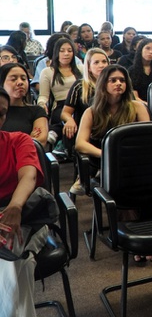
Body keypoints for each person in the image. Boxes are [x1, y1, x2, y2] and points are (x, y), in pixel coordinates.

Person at [74, 65, 151, 262]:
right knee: (119, 181)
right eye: (113, 80)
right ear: (103, 84)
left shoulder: (137, 107)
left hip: (133, 162)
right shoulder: (92, 112)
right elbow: (80, 144)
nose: (118, 84)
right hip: (103, 167)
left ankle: (142, 234)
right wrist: (106, 154)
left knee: (148, 177)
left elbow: (148, 137)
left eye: (122, 80)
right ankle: (137, 239)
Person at [0, 87, 46, 317]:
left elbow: (28, 175)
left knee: (10, 256)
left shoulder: (18, 140)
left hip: (25, 216)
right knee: (21, 263)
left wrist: (15, 207)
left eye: (1, 113)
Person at [60, 48, 109, 195]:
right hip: (86, 132)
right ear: (88, 66)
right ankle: (87, 175)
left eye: (104, 61)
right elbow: (65, 113)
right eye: (96, 62)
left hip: (107, 130)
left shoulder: (114, 84)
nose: (101, 65)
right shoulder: (80, 86)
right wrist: (69, 120)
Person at [37, 38, 82, 153]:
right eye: (62, 51)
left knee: (79, 116)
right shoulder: (47, 72)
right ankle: (65, 145)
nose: (66, 54)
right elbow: (43, 95)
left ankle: (56, 133)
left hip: (80, 103)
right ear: (56, 52)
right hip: (61, 105)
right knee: (69, 117)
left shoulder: (81, 69)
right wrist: (42, 104)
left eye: (69, 50)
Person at [0, 63, 47, 142]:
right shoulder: (1, 111)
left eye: (23, 79)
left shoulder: (37, 111)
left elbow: (40, 141)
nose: (20, 82)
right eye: (13, 79)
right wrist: (27, 138)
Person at [128, 38, 152, 105]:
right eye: (147, 48)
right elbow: (134, 97)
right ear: (141, 50)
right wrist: (148, 105)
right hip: (140, 105)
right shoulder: (132, 70)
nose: (151, 52)